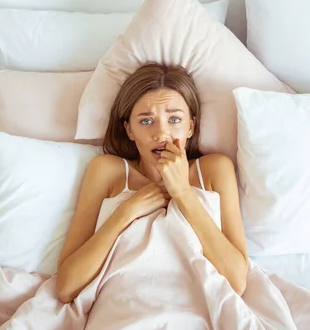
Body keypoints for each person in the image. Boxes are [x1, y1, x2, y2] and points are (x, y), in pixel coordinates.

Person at [55, 62, 249, 303]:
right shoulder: (107, 171)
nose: (161, 133)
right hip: (123, 306)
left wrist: (182, 193)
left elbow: (237, 281)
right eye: (146, 121)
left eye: (175, 120)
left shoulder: (214, 170)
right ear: (129, 130)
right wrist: (127, 211)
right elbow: (66, 287)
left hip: (198, 307)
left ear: (191, 126)